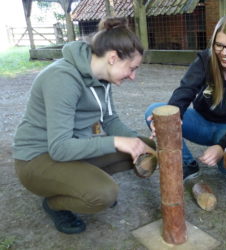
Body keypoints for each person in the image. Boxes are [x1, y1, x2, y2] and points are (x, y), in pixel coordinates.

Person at [13, 17, 156, 234]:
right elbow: (60, 148)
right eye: (132, 68)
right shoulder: (62, 78)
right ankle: (54, 204)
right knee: (104, 194)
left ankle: (82, 184)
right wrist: (117, 141)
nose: (133, 76)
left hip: (72, 148)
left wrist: (135, 141)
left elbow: (110, 120)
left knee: (144, 145)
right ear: (113, 58)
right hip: (37, 159)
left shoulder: (102, 78)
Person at [145, 13, 226, 181]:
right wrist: (172, 116)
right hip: (201, 123)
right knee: (155, 112)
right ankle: (188, 165)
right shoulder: (205, 59)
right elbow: (185, 91)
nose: (224, 53)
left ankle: (225, 158)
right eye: (219, 45)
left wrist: (222, 147)